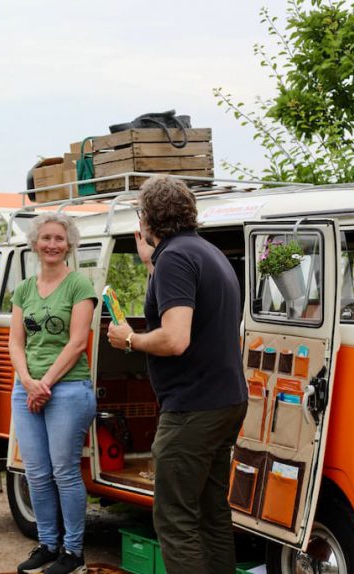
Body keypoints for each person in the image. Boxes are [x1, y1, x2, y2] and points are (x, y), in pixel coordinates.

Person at [107, 175, 248, 573]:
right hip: (226, 400)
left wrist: (130, 339)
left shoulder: (175, 259)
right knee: (211, 513)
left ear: (147, 216)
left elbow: (175, 339)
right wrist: (153, 263)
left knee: (174, 518)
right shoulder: (205, 252)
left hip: (193, 407)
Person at [8, 213, 97, 574]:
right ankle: (47, 544)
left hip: (69, 388)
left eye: (59, 239)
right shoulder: (24, 289)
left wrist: (44, 384)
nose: (52, 245)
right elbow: (16, 342)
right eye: (46, 238)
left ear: (69, 244)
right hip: (26, 388)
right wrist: (28, 381)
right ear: (35, 243)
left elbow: (77, 343)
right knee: (37, 473)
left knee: (64, 472)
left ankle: (73, 553)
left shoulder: (79, 286)